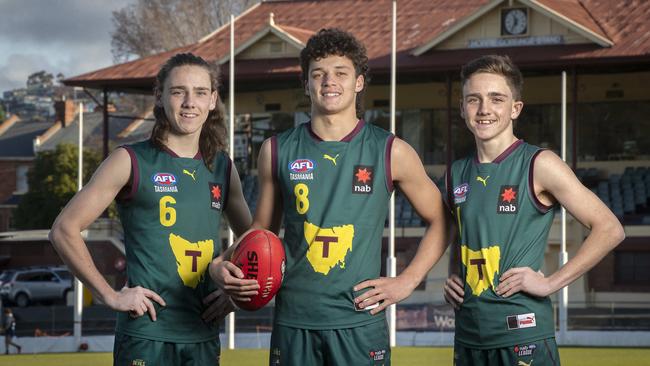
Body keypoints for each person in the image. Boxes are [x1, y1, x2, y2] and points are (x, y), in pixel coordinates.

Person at [210, 28, 448, 366]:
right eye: (318, 74)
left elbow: (441, 218)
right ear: (306, 84)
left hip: (359, 321)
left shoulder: (391, 150)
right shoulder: (276, 149)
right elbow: (262, 231)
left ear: (359, 82)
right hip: (295, 321)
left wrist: (408, 281)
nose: (328, 82)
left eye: (340, 73)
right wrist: (222, 265)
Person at [49, 53, 251, 365]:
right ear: (159, 96)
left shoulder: (223, 167)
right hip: (146, 335)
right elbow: (64, 230)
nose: (189, 102)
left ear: (212, 100)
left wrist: (237, 296)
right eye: (177, 91)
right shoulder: (129, 160)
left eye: (199, 92)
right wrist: (109, 295)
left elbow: (254, 242)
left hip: (202, 335)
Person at [442, 55, 625, 366]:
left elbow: (610, 229)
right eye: (474, 99)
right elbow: (459, 234)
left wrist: (550, 283)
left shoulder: (540, 164)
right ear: (463, 108)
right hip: (469, 338)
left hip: (522, 337)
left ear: (515, 108)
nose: (484, 109)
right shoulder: (455, 173)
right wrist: (452, 278)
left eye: (496, 99)